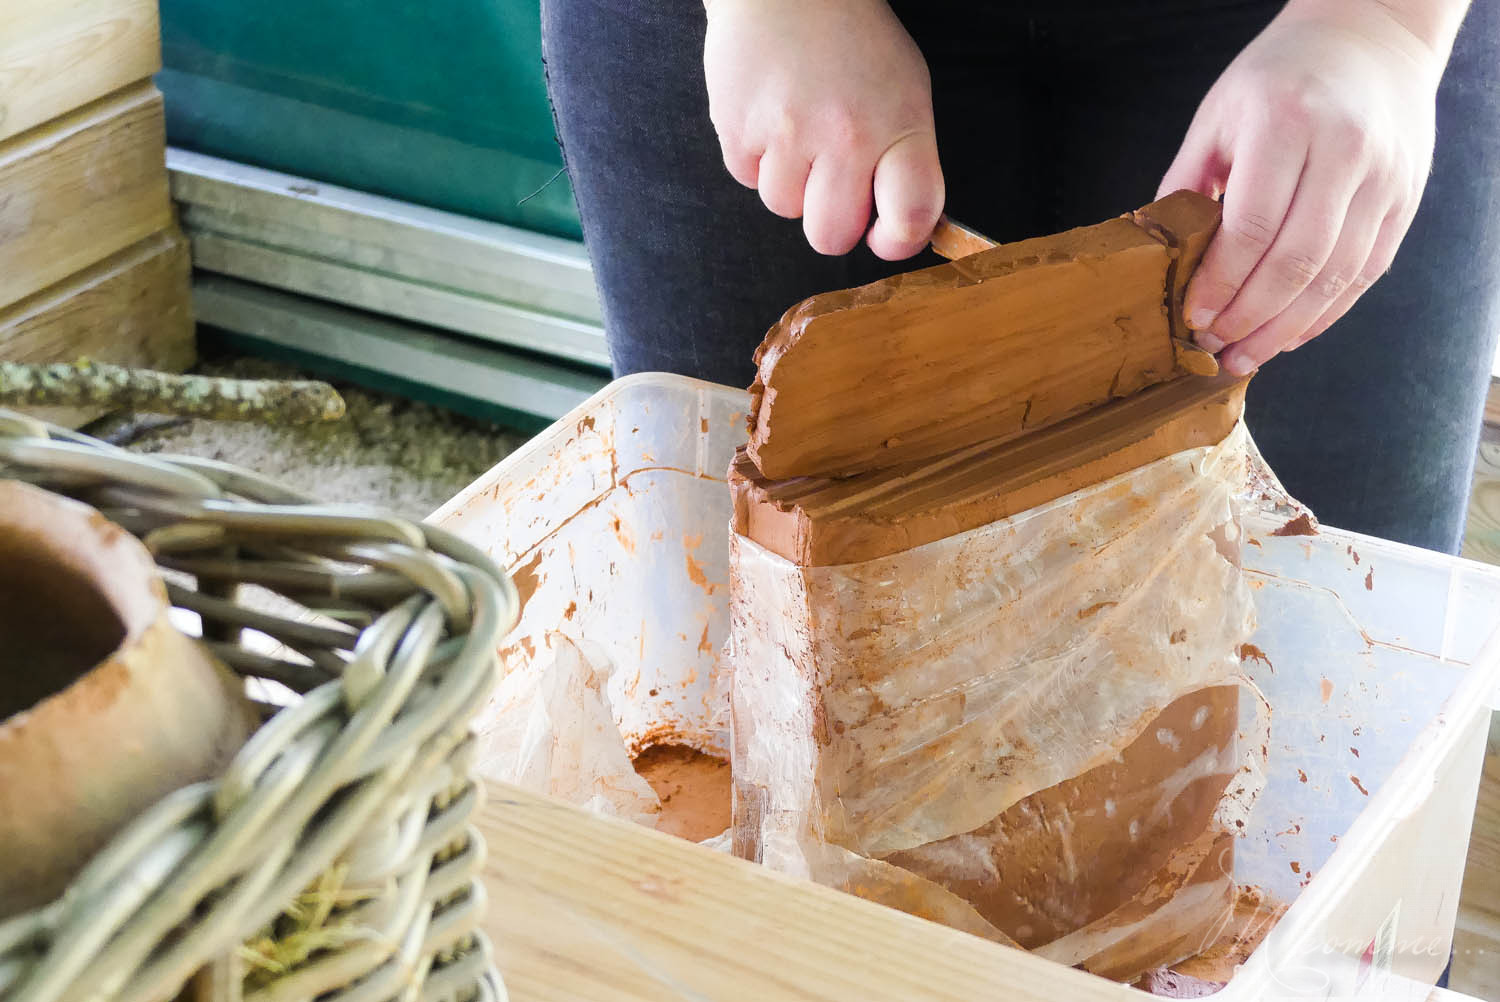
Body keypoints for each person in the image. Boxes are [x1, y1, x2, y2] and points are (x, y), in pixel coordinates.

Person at [539, 0, 1500, 554]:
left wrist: (1385, 26)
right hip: (785, 23)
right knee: (741, 678)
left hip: (1319, 37)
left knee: (1319, 718)